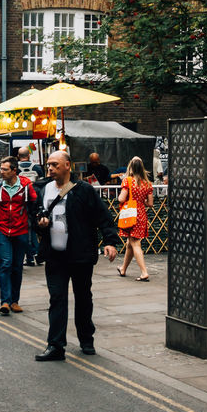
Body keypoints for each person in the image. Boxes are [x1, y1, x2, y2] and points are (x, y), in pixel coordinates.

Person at [34, 149, 119, 360]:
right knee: (57, 299)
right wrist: (40, 224)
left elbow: (103, 217)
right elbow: (35, 217)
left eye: (55, 164)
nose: (50, 168)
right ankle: (55, 346)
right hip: (55, 256)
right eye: (49, 165)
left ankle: (86, 339)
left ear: (67, 166)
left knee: (83, 298)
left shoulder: (84, 190)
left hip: (80, 254)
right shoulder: (44, 190)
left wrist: (110, 242)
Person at [0, 156, 37, 315]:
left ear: (14, 170)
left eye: (5, 169)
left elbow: (35, 202)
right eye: (1, 169)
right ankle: (5, 301)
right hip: (2, 231)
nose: (1, 172)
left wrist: (30, 189)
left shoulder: (25, 186)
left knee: (17, 266)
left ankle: (15, 301)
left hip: (21, 231)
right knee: (6, 264)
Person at [116, 156, 153, 281]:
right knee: (130, 244)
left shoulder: (127, 181)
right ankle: (123, 269)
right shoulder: (147, 183)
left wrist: (125, 199)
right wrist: (140, 201)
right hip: (141, 214)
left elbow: (121, 198)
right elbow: (150, 203)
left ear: (130, 167)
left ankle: (144, 272)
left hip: (131, 215)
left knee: (135, 244)